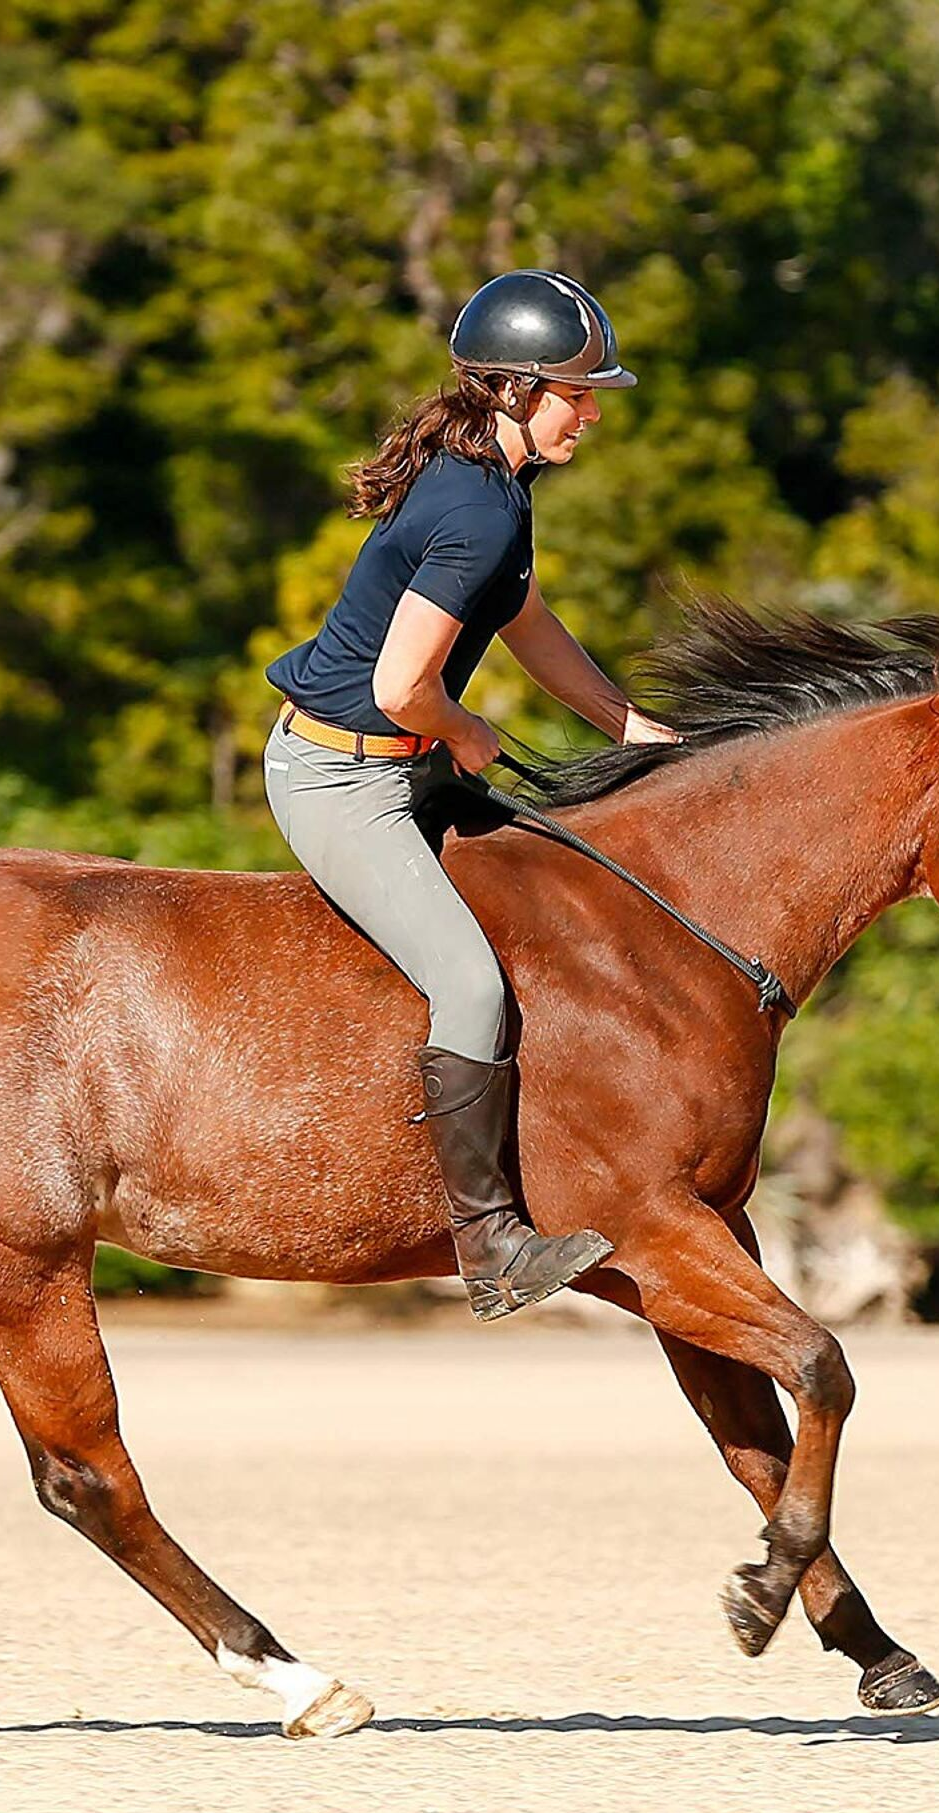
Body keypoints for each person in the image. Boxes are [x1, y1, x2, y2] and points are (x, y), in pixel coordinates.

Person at [263, 269, 679, 1321]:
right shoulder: (475, 508)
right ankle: (489, 1246)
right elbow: (406, 685)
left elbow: (528, 624)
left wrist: (628, 728)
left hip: (394, 760)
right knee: (471, 985)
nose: (592, 410)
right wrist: (467, 731)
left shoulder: (497, 486)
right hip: (338, 775)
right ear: (509, 389)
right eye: (577, 393)